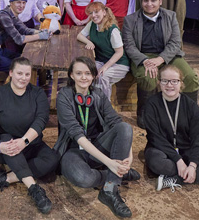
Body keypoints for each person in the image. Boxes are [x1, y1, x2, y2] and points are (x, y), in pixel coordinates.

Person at [54, 56, 139, 218]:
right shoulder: (64, 96)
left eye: (87, 73)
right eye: (79, 73)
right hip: (73, 151)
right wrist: (110, 163)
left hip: (97, 145)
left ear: (93, 76)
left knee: (125, 127)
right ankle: (116, 174)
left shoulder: (98, 94)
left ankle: (110, 189)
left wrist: (129, 155)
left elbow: (115, 122)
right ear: (71, 75)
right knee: (84, 179)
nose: (84, 77)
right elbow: (76, 134)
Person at [0, 57, 59, 214]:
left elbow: (41, 120)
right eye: (19, 73)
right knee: (8, 142)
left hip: (31, 143)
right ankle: (34, 189)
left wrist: (24, 141)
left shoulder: (37, 93)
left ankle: (6, 178)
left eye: (26, 74)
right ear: (11, 73)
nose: (23, 78)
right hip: (5, 145)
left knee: (52, 160)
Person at [122, 0, 199, 129]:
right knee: (148, 78)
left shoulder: (170, 16)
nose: (149, 4)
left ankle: (190, 115)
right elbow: (129, 46)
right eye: (146, 0)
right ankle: (145, 114)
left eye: (153, 0)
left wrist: (161, 59)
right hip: (143, 57)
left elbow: (175, 42)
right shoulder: (130, 20)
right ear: (141, 1)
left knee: (190, 77)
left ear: (160, 1)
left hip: (168, 55)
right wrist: (145, 60)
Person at [145, 65, 199, 192]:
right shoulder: (151, 104)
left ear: (181, 83)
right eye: (165, 81)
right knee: (156, 162)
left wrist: (193, 164)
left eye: (174, 81)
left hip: (186, 149)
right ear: (159, 83)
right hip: (162, 150)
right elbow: (155, 137)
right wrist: (178, 160)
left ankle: (177, 179)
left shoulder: (190, 105)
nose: (169, 85)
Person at [77, 2, 130, 99]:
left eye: (96, 12)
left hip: (118, 63)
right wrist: (89, 42)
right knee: (88, 72)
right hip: (101, 60)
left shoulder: (112, 30)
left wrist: (105, 67)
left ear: (104, 12)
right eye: (91, 13)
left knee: (102, 77)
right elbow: (79, 36)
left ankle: (104, 108)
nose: (93, 15)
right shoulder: (92, 24)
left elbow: (119, 52)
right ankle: (88, 102)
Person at [0, 0, 49, 71]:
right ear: (11, 3)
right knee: (19, 66)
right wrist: (40, 36)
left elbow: (25, 30)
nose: (21, 5)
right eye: (18, 2)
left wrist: (42, 32)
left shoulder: (12, 15)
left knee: (24, 60)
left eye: (23, 3)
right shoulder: (4, 16)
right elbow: (19, 39)